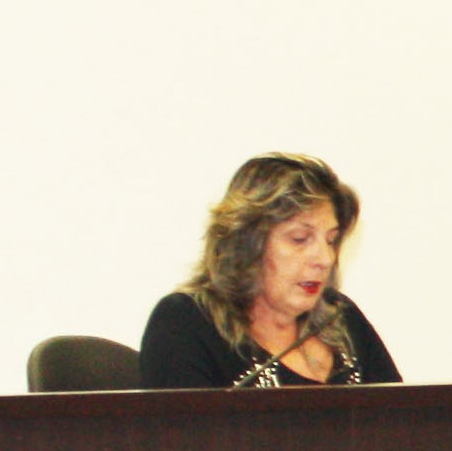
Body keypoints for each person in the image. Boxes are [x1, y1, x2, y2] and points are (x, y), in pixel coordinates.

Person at [139, 152, 399, 388]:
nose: (324, 258)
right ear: (246, 243)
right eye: (299, 239)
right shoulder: (187, 323)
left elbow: (404, 418)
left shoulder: (341, 318)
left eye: (331, 240)